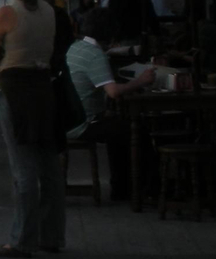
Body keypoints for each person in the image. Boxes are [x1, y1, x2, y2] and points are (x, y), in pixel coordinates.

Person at [0, 0, 64, 258]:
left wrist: (5, 58)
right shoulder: (49, 11)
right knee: (49, 164)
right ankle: (52, 235)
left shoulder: (7, 14)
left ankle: (21, 239)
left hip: (15, 86)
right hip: (43, 86)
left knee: (23, 166)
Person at [66, 12, 156, 201]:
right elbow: (113, 92)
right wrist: (141, 81)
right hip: (83, 122)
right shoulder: (95, 54)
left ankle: (121, 187)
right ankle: (145, 188)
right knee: (135, 129)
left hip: (68, 118)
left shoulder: (76, 47)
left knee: (117, 127)